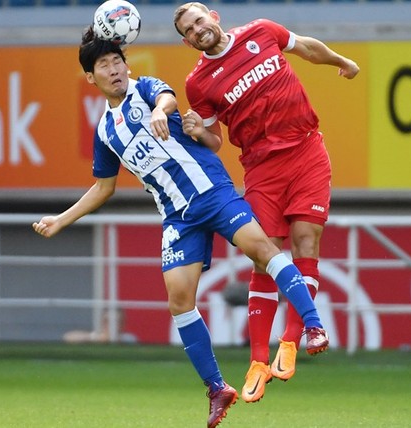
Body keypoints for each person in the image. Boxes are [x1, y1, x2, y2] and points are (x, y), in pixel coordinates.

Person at [32, 26, 329, 428]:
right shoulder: (105, 130)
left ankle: (312, 326)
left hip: (212, 192)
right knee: (178, 299)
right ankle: (217, 388)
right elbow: (104, 187)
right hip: (177, 215)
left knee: (263, 251)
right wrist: (61, 219)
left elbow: (167, 98)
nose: (115, 69)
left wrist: (159, 110)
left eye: (118, 61)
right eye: (104, 65)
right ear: (91, 78)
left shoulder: (148, 87)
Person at [172, 2, 360, 403]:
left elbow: (305, 47)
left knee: (307, 240)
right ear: (187, 41)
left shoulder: (260, 31)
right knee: (264, 255)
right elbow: (214, 141)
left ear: (214, 17)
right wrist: (193, 130)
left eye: (199, 20)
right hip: (260, 166)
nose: (198, 30)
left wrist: (340, 61)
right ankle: (258, 359)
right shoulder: (199, 83)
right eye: (189, 30)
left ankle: (291, 341)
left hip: (307, 149)